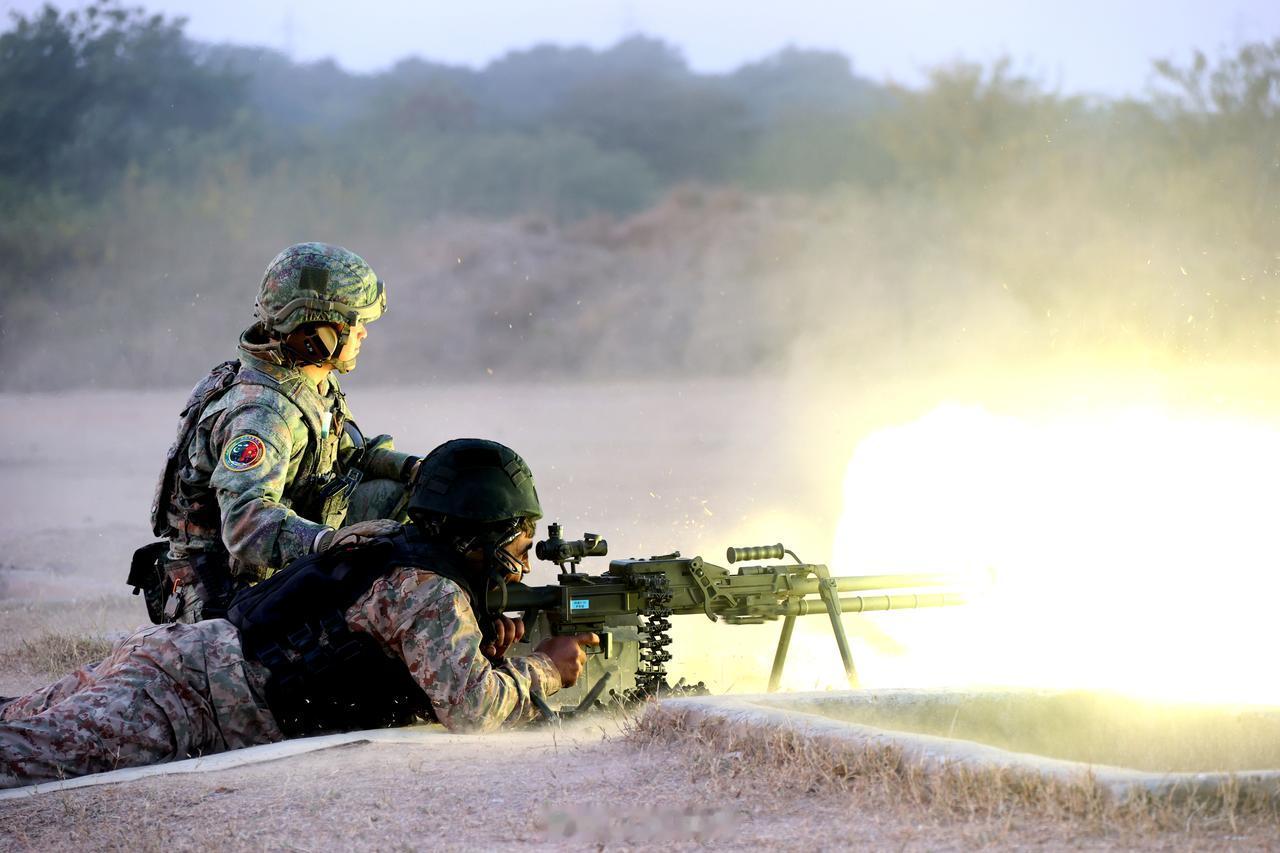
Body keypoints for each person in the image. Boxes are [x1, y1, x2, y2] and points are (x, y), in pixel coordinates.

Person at [1, 439, 598, 788]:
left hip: (181, 658)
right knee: (21, 757)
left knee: (16, 718)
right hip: (185, 701)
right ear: (482, 536)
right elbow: (472, 711)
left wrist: (481, 649)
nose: (524, 561)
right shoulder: (430, 591)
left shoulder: (392, 541)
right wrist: (546, 667)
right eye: (519, 543)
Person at [139, 242, 422, 624]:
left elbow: (349, 453)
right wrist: (328, 543)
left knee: (419, 501)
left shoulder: (307, 379)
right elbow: (245, 523)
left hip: (274, 564)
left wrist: (416, 470)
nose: (364, 334)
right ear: (318, 332)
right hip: (228, 593)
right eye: (356, 323)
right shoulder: (263, 414)